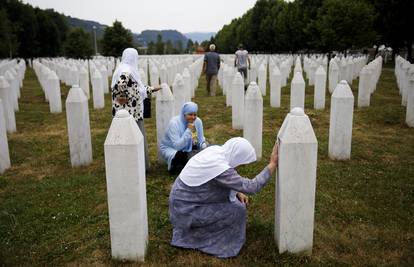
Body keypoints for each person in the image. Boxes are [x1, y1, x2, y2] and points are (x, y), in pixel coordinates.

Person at [168, 137, 279, 258]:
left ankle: (194, 231)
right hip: (186, 213)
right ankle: (217, 244)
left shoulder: (216, 151)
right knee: (237, 210)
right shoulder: (220, 169)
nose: (240, 167)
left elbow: (212, 180)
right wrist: (272, 164)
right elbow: (251, 187)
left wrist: (237, 191)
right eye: (242, 162)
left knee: (235, 202)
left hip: (181, 206)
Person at [111, 48, 161, 170]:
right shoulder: (127, 70)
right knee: (135, 137)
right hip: (131, 112)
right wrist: (121, 96)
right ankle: (137, 166)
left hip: (125, 111)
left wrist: (151, 89)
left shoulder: (123, 69)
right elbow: (121, 84)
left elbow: (136, 89)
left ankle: (128, 165)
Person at [159, 102, 207, 175]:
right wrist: (189, 130)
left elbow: (200, 139)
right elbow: (177, 146)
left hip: (190, 148)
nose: (193, 117)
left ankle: (189, 162)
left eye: (195, 114)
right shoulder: (174, 123)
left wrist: (204, 146)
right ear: (184, 114)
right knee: (183, 157)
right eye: (190, 114)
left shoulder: (198, 121)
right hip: (172, 149)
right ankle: (176, 166)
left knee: (207, 151)